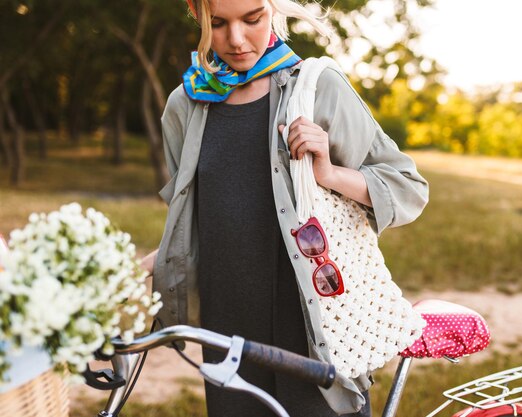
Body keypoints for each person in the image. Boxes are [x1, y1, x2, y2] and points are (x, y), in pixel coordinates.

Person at [140, 0, 429, 415]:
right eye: (218, 23)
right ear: (195, 13)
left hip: (310, 320)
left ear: (273, 9)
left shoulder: (319, 87)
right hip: (228, 322)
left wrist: (329, 174)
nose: (236, 39)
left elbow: (408, 188)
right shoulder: (184, 105)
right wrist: (135, 269)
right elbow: (199, 223)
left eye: (252, 19)